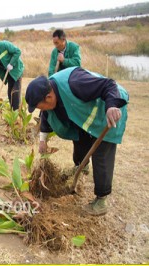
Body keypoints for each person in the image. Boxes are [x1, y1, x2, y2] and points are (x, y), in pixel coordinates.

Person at [25, 66, 129, 216]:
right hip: (85, 117)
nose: (41, 109)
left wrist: (112, 105)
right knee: (79, 139)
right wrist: (43, 140)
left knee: (101, 155)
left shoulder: (76, 83)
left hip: (108, 111)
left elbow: (108, 84)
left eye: (39, 106)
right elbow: (46, 114)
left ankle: (101, 201)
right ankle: (81, 166)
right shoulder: (49, 94)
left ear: (48, 97)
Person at [0, 37, 24, 110]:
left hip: (16, 71)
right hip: (9, 74)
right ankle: (12, 112)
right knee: (10, 94)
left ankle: (17, 113)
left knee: (15, 93)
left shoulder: (5, 44)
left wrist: (11, 63)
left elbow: (18, 51)